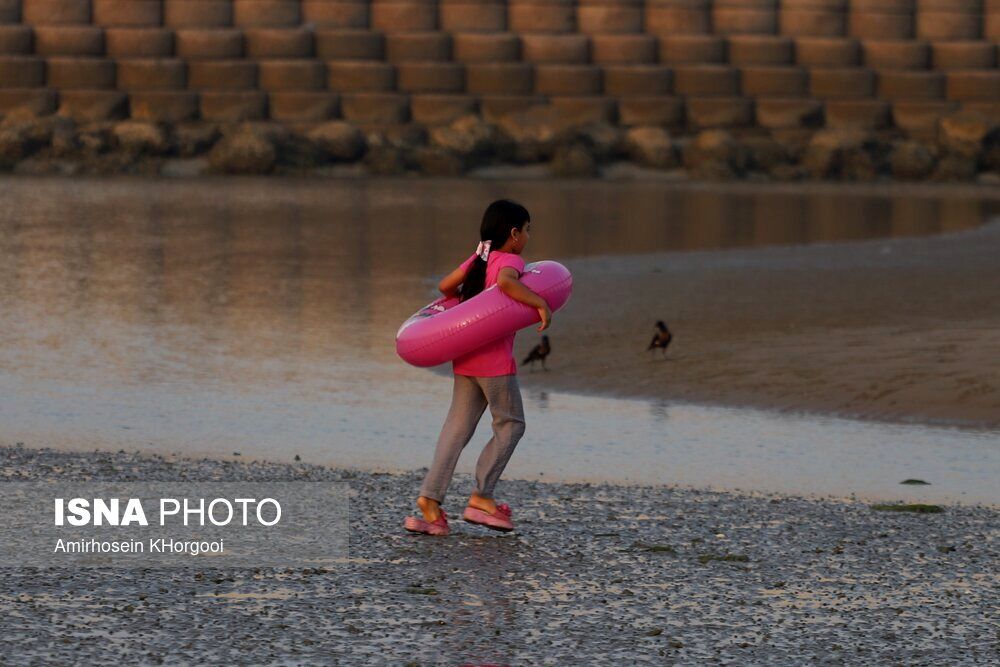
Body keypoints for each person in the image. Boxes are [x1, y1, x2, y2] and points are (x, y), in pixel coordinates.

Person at [404, 199, 551, 536]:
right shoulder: (510, 259)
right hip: (495, 363)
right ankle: (482, 498)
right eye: (527, 230)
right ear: (513, 234)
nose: (528, 237)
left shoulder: (479, 258)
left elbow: (444, 287)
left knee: (456, 430)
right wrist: (539, 302)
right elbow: (508, 284)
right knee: (512, 424)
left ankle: (429, 503)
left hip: (465, 357)